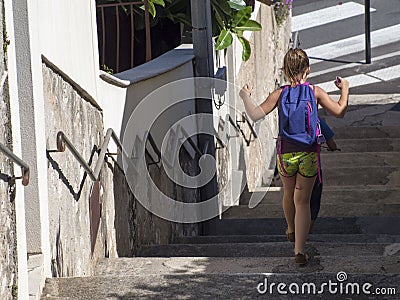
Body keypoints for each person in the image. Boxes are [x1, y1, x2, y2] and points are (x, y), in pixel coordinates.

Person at [239, 48, 349, 266]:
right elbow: (340, 111)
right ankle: (299, 249)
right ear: (308, 70)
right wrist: (344, 89)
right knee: (303, 202)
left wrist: (245, 96)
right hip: (308, 155)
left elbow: (255, 114)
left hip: (285, 155)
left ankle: (290, 228)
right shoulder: (315, 92)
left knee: (288, 194)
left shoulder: (279, 94)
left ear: (285, 70)